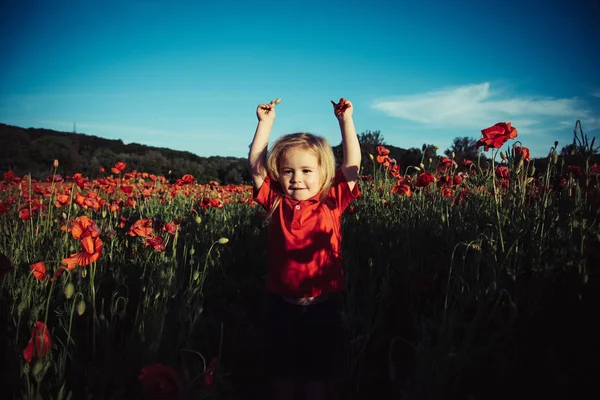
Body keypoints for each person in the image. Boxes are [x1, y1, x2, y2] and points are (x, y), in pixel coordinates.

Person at [248, 98, 361, 400]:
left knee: (316, 375)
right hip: (280, 305)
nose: (297, 178)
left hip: (322, 307)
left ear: (324, 172)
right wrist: (265, 124)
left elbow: (352, 166)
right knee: (282, 375)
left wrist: (345, 121)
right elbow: (256, 166)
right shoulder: (276, 202)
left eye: (307, 170)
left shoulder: (332, 201)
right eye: (288, 171)